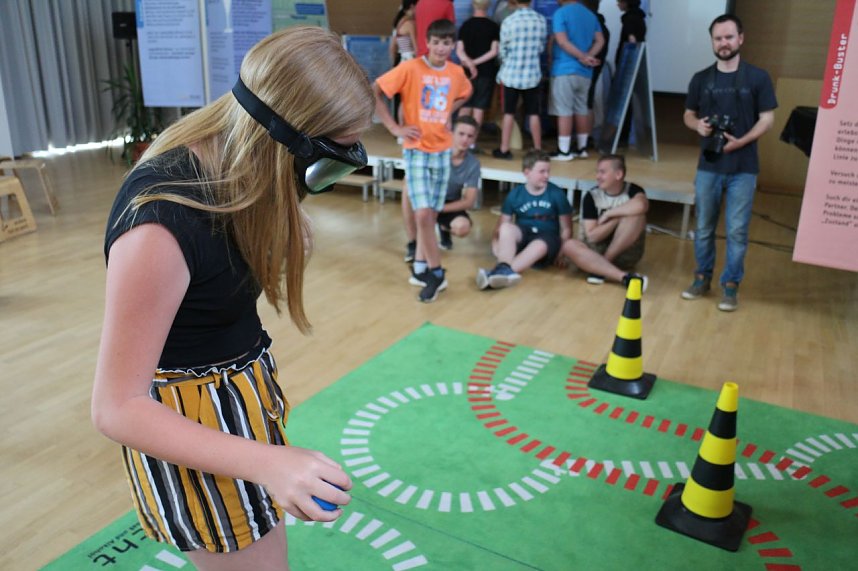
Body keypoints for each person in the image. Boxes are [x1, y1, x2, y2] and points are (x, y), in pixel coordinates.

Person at [91, 27, 374, 570]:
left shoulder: (237, 172)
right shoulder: (160, 226)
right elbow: (116, 407)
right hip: (191, 426)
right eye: (328, 165)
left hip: (235, 404)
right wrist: (266, 463)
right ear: (284, 144)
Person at [681, 14, 777, 311]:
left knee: (737, 230)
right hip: (708, 165)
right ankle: (701, 278)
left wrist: (742, 141)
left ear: (741, 38)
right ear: (712, 42)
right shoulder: (701, 78)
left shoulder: (758, 77)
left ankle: (730, 286)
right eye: (718, 38)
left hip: (744, 167)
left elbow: (768, 119)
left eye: (728, 37)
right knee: (705, 226)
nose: (723, 43)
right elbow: (688, 114)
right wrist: (698, 126)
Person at [374, 19, 473, 302]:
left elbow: (467, 91)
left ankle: (419, 266)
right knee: (423, 214)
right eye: (437, 42)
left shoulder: (456, 73)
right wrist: (395, 128)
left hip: (442, 150)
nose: (442, 48)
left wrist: (449, 112)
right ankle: (436, 272)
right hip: (416, 148)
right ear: (427, 43)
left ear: (453, 45)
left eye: (447, 43)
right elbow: (375, 92)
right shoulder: (411, 67)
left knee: (430, 214)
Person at [477, 150, 572, 289]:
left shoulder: (557, 194)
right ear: (527, 172)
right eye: (542, 171)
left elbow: (567, 228)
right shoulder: (515, 194)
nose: (547, 175)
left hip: (547, 239)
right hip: (524, 235)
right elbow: (502, 225)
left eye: (548, 171)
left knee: (539, 245)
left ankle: (498, 273)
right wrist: (496, 244)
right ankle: (502, 270)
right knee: (506, 228)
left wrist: (561, 253)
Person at [561, 154, 648, 290]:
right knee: (568, 245)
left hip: (625, 253)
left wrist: (610, 213)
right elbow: (593, 236)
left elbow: (641, 206)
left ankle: (601, 267)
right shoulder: (591, 196)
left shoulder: (633, 191)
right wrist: (618, 218)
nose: (597, 176)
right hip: (592, 254)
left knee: (637, 216)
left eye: (602, 172)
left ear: (618, 174)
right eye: (597, 172)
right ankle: (624, 278)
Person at [403, 116, 481, 266]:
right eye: (461, 134)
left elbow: (469, 201)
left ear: (474, 139)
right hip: (428, 198)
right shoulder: (436, 152)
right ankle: (414, 243)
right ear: (452, 133)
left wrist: (438, 209)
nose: (465, 139)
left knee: (462, 227)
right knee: (407, 183)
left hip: (447, 204)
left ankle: (444, 228)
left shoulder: (473, 164)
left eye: (470, 136)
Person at [548, 0, 604, 161]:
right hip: (585, 72)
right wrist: (588, 56)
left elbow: (562, 41)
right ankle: (582, 148)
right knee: (581, 109)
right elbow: (600, 40)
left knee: (564, 110)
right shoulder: (589, 14)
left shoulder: (561, 13)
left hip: (564, 69)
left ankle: (564, 151)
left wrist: (582, 57)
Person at [492, 0, 547, 159]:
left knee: (508, 113)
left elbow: (502, 51)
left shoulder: (509, 21)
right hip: (532, 74)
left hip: (511, 74)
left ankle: (504, 149)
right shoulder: (540, 20)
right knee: (534, 113)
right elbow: (541, 47)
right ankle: (537, 149)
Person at [456, 0, 500, 142]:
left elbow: (459, 51)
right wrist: (475, 63)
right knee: (479, 108)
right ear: (488, 7)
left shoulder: (466, 25)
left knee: (464, 105)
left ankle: (458, 138)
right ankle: (472, 142)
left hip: (466, 73)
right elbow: (494, 52)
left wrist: (469, 63)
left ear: (473, 6)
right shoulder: (493, 27)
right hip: (486, 72)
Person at [615, 0, 646, 69]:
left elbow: (632, 39)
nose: (617, 4)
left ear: (626, 3)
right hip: (637, 58)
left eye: (619, 2)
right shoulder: (640, 17)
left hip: (627, 61)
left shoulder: (629, 18)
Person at [391, 0, 418, 66]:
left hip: (403, 60)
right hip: (410, 59)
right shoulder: (410, 24)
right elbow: (416, 47)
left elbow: (393, 47)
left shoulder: (400, 22)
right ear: (412, 7)